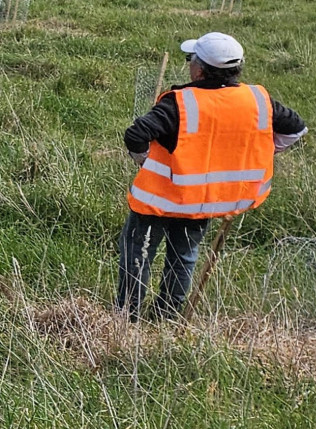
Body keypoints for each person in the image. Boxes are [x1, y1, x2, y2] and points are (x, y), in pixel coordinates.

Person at [118, 32, 304, 321]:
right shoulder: (256, 99)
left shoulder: (180, 103)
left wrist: (144, 162)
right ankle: (166, 316)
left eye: (191, 59)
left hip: (157, 198)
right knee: (184, 259)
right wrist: (263, 151)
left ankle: (126, 318)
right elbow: (295, 130)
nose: (189, 65)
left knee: (138, 255)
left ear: (200, 69)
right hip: (202, 202)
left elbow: (136, 135)